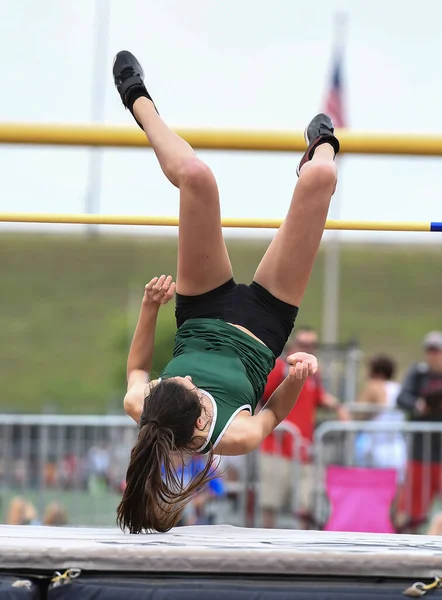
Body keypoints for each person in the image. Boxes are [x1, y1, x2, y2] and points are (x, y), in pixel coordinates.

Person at [113, 50, 340, 533]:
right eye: (192, 389)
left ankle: (137, 101)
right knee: (322, 177)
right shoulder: (232, 435)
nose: (189, 380)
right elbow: (275, 410)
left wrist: (151, 307)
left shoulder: (145, 404)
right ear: (200, 424)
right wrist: (296, 375)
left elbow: (135, 368)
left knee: (197, 179)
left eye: (177, 380)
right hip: (266, 322)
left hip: (201, 308)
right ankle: (320, 145)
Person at [259, 327, 348, 529]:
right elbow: (261, 397)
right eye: (303, 344)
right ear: (293, 345)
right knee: (270, 504)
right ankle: (264, 552)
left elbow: (320, 398)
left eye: (311, 346)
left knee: (304, 506)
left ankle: (303, 552)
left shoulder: (313, 374)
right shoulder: (279, 367)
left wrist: (339, 407)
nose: (307, 349)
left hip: (303, 450)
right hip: (277, 447)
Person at [353, 354, 407, 479]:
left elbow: (357, 413)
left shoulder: (374, 387)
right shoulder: (398, 388)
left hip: (376, 448)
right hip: (397, 447)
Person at [397, 331, 442, 416]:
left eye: (436, 352)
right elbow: (402, 397)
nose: (433, 356)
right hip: (421, 424)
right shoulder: (417, 373)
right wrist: (417, 404)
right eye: (429, 351)